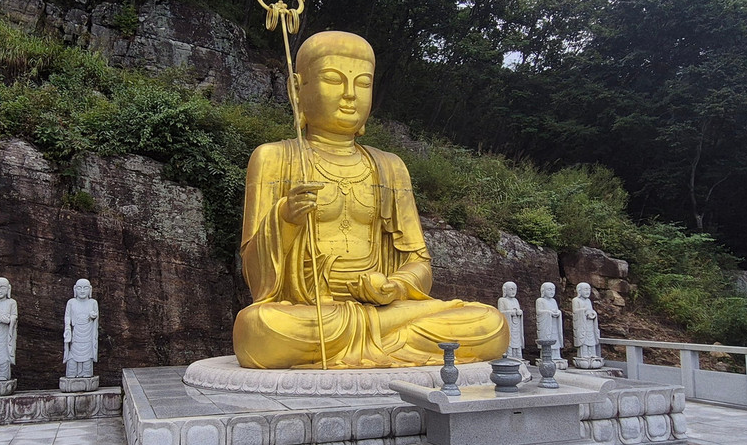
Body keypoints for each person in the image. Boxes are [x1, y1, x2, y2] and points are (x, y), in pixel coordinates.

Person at [232, 30, 507, 369]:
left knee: (490, 323)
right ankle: (386, 342)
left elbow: (419, 264)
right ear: (296, 89)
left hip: (386, 310)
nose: (350, 95)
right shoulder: (274, 158)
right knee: (260, 327)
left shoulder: (390, 167)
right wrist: (285, 219)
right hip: (315, 312)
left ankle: (369, 341)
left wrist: (395, 286)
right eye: (334, 80)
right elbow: (254, 274)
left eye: (362, 84)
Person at [64, 279, 99, 378]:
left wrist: (94, 317)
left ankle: (86, 376)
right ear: (75, 289)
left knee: (87, 368)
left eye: (85, 288)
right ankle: (72, 376)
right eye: (79, 288)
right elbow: (67, 316)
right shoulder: (71, 302)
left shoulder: (93, 302)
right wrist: (67, 328)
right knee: (71, 367)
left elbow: (96, 317)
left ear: (90, 289)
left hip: (88, 336)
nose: (82, 291)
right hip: (75, 335)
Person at [572, 282, 603, 368]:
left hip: (590, 323)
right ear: (579, 290)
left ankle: (592, 354)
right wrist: (584, 311)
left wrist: (593, 314)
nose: (587, 291)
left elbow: (591, 310)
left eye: (589, 289)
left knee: (591, 338)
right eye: (585, 289)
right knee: (584, 339)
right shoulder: (576, 300)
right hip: (582, 323)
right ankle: (584, 354)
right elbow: (575, 311)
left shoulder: (588, 301)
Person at [535, 282, 564, 361]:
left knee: (555, 338)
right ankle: (546, 355)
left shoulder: (553, 301)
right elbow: (539, 312)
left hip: (554, 323)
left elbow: (557, 310)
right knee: (547, 337)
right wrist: (549, 312)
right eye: (549, 289)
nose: (552, 292)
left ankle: (556, 355)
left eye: (553, 290)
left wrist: (558, 312)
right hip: (546, 324)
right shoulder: (540, 300)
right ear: (543, 291)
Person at [497, 281, 524, 360]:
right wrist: (510, 312)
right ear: (505, 290)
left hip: (516, 323)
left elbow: (519, 310)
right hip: (509, 324)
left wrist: (520, 312)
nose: (513, 291)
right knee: (509, 338)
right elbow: (500, 313)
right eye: (511, 289)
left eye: (515, 289)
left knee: (517, 339)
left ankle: (518, 355)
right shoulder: (502, 300)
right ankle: (509, 354)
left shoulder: (515, 300)